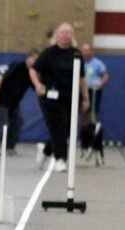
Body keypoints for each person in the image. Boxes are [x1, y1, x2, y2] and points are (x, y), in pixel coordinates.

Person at [30, 22, 89, 172]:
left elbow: (82, 78)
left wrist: (85, 97)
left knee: (67, 128)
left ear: (72, 36)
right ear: (57, 35)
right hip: (50, 96)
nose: (65, 35)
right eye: (62, 32)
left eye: (68, 33)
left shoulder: (76, 54)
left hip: (70, 96)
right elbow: (33, 70)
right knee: (57, 126)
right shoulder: (49, 53)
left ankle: (45, 150)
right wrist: (38, 85)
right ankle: (60, 158)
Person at [0, 49, 38, 155]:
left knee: (18, 121)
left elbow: (36, 87)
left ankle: (9, 147)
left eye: (37, 60)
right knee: (2, 124)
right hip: (1, 100)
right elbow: (1, 78)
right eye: (33, 58)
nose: (35, 61)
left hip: (14, 103)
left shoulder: (32, 73)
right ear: (28, 58)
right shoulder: (17, 65)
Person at [81, 43, 108, 118]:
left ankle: (92, 128)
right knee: (83, 111)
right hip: (83, 90)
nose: (85, 52)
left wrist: (100, 85)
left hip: (94, 91)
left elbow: (105, 76)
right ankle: (84, 129)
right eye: (83, 50)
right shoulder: (79, 63)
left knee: (93, 112)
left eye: (87, 50)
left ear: (91, 51)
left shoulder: (97, 63)